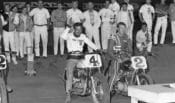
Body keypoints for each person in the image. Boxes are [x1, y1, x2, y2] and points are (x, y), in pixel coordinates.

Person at [61, 23, 98, 103]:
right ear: (74, 29)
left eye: (80, 29)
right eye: (77, 29)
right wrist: (67, 28)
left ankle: (87, 85)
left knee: (90, 69)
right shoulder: (69, 35)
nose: (79, 31)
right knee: (70, 73)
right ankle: (68, 94)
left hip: (81, 57)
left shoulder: (83, 36)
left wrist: (97, 49)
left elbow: (90, 43)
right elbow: (63, 36)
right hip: (72, 57)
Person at [106, 22, 132, 87]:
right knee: (115, 74)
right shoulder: (113, 37)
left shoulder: (127, 37)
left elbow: (130, 49)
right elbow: (109, 51)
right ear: (117, 28)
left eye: (124, 28)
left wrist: (129, 55)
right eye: (121, 28)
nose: (123, 30)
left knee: (132, 70)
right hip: (114, 57)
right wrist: (116, 59)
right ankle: (108, 92)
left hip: (124, 57)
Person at [17, 6, 35, 75]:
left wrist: (29, 28)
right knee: (21, 44)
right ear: (22, 10)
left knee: (29, 44)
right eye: (23, 10)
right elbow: (16, 23)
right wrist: (18, 28)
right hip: (21, 31)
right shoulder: (18, 16)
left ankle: (29, 55)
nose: (24, 11)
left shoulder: (29, 16)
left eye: (25, 10)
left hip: (27, 32)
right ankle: (21, 55)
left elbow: (31, 23)